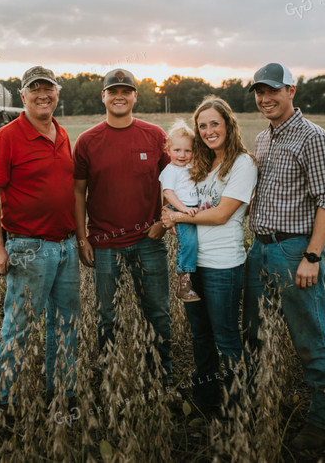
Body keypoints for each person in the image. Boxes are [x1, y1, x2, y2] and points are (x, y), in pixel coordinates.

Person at [243, 62, 325, 451]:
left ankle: (322, 421)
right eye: (259, 92)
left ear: (291, 91)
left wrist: (312, 256)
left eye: (273, 91)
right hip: (260, 248)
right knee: (254, 333)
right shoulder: (263, 138)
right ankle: (261, 405)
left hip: (293, 251)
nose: (265, 99)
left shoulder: (312, 137)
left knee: (311, 338)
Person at [0, 66, 80, 404]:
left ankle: (63, 395)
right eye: (34, 89)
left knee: (66, 324)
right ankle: (5, 403)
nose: (42, 95)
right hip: (28, 247)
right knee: (19, 327)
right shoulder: (6, 137)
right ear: (22, 96)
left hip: (66, 245)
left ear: (57, 93)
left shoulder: (63, 134)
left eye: (48, 88)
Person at [73, 68, 172, 381]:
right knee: (108, 315)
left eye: (125, 91)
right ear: (103, 96)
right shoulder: (87, 141)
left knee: (157, 313)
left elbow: (171, 183)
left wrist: (164, 221)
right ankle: (110, 375)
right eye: (112, 91)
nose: (119, 96)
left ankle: (160, 377)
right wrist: (81, 238)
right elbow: (78, 191)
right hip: (103, 244)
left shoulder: (155, 135)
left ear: (134, 97)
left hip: (149, 241)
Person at [161, 96, 257, 415]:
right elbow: (188, 203)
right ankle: (206, 400)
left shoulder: (242, 164)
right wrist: (170, 214)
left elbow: (220, 215)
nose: (208, 130)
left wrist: (178, 218)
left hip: (223, 267)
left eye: (214, 123)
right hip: (195, 266)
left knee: (226, 338)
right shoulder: (200, 164)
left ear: (228, 124)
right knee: (200, 337)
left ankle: (238, 406)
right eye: (202, 126)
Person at [158, 121, 201, 302]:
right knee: (189, 243)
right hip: (181, 209)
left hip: (193, 210)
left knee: (198, 243)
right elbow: (168, 192)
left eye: (187, 151)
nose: (182, 155)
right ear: (168, 150)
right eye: (177, 150)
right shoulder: (170, 170)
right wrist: (182, 210)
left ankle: (195, 278)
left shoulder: (193, 167)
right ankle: (183, 283)